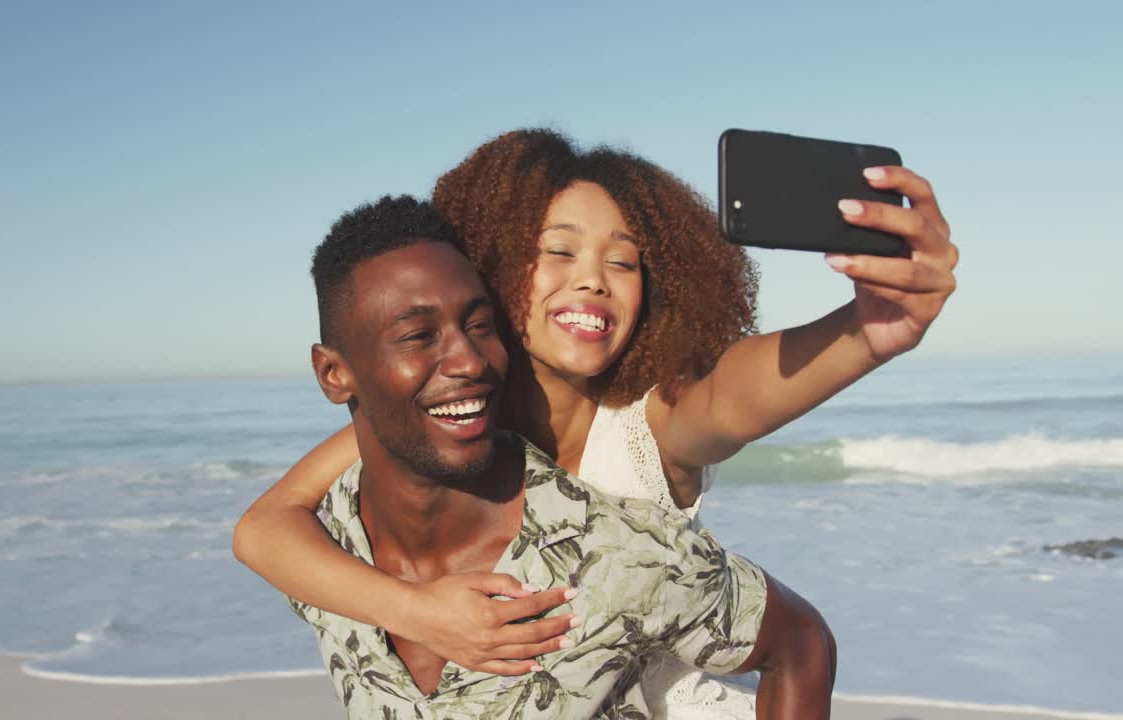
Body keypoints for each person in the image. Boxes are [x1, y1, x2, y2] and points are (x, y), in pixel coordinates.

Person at [234, 129, 957, 715]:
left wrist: (866, 332)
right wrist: (418, 612)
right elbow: (269, 526)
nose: (593, 278)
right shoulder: (458, 411)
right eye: (559, 251)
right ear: (490, 263)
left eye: (626, 261)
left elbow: (738, 395)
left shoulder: (653, 420)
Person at [285, 194, 834, 718]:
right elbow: (261, 530)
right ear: (334, 374)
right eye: (418, 335)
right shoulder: (325, 540)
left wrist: (877, 328)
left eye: (480, 326)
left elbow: (802, 645)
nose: (469, 361)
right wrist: (411, 610)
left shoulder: (615, 554)